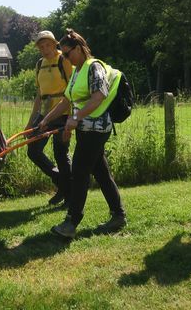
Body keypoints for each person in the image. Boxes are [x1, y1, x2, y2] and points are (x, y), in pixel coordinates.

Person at [40, 29, 127, 238]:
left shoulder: (93, 66)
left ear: (79, 49)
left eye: (68, 54)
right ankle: (118, 216)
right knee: (101, 172)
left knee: (79, 171)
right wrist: (46, 119)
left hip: (96, 128)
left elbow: (99, 95)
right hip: (85, 128)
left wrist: (76, 118)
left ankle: (71, 222)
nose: (66, 58)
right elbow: (66, 101)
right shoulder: (77, 70)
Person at [25, 30, 73, 205]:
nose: (45, 49)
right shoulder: (39, 64)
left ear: (55, 44)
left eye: (48, 45)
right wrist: (30, 123)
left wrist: (72, 118)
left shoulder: (64, 60)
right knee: (33, 151)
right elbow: (39, 96)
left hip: (63, 112)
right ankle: (62, 181)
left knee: (61, 154)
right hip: (45, 114)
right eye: (41, 46)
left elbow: (73, 90)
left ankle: (68, 195)